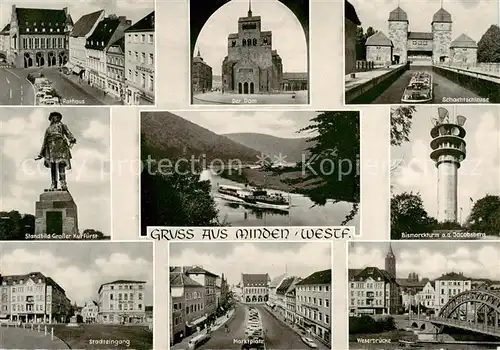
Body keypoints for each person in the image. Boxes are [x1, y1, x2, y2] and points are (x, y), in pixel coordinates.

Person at [35, 111, 76, 191]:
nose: (56, 118)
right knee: (53, 166)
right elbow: (45, 141)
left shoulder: (62, 126)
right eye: (54, 117)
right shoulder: (48, 129)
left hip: (61, 147)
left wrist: (72, 139)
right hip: (51, 150)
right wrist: (41, 154)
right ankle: (53, 184)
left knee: (61, 165)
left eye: (57, 117)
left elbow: (68, 134)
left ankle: (63, 183)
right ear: (52, 119)